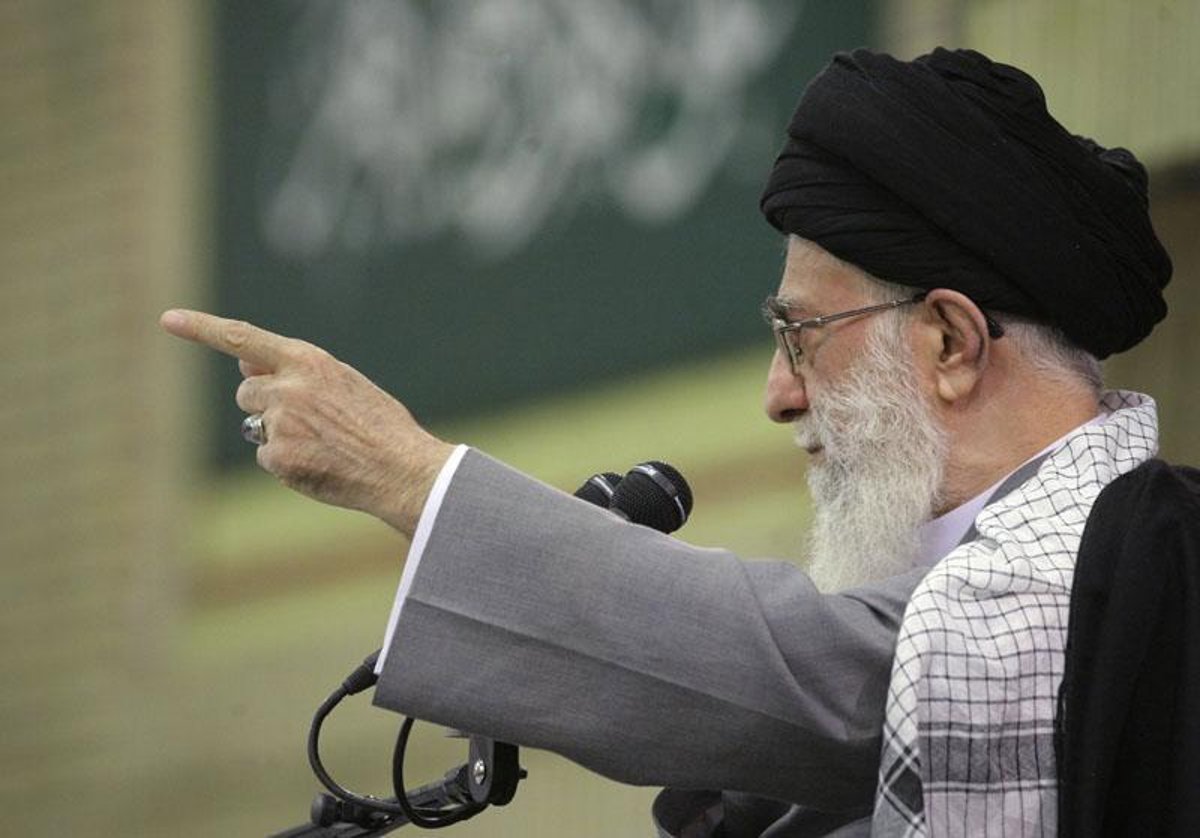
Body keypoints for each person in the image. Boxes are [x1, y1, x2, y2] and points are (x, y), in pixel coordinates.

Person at [162, 48, 1178, 836]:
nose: (778, 395)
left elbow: (825, 676)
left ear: (951, 343)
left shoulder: (1122, 563)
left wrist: (404, 473)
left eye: (802, 335)